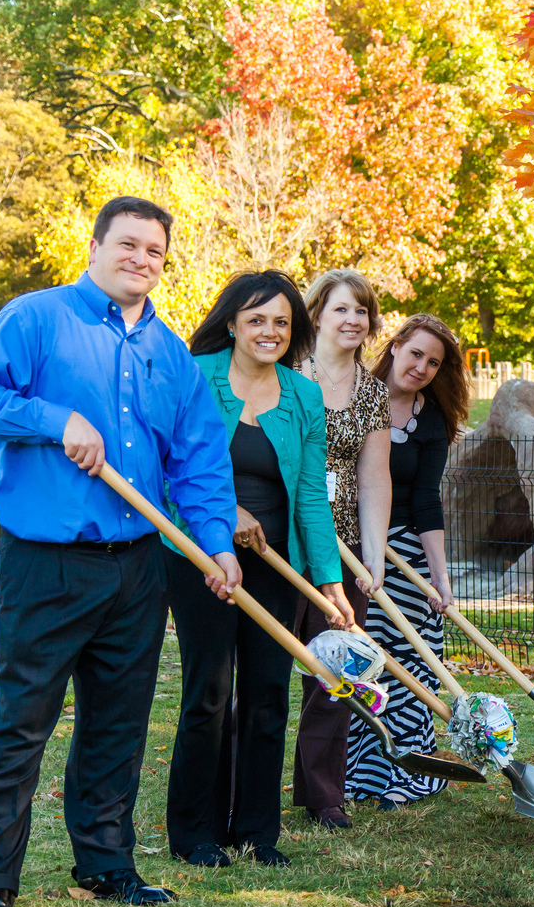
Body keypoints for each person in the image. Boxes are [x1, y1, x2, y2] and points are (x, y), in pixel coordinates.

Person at [0, 196, 241, 907]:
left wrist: (216, 545)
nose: (141, 260)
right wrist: (56, 422)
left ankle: (107, 864)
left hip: (138, 566)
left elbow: (200, 462)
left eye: (155, 252)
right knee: (21, 722)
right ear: (96, 244)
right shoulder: (36, 318)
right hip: (46, 562)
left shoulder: (170, 354)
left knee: (118, 722)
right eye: (129, 245)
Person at [164, 271, 354, 868]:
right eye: (256, 319)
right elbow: (165, 474)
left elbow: (311, 497)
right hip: (198, 557)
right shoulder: (194, 378)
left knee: (269, 692)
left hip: (274, 564)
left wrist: (328, 582)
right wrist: (224, 514)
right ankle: (196, 832)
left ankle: (256, 832)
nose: (269, 331)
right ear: (231, 324)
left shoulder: (302, 395)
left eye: (280, 321)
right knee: (210, 692)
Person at [345, 314, 470, 807]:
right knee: (365, 659)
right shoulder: (350, 396)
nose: (421, 366)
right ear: (394, 346)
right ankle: (357, 772)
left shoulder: (431, 420)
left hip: (407, 549)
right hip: (355, 544)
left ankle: (404, 771)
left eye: (434, 362)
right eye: (416, 353)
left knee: (414, 659)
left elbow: (426, 500)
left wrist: (439, 578)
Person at [292, 268, 391, 828]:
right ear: (318, 316)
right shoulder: (283, 376)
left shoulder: (373, 391)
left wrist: (373, 556)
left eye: (362, 311)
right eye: (342, 309)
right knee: (255, 675)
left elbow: (376, 477)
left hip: (345, 548)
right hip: (282, 546)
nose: (353, 320)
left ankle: (323, 796)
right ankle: (238, 787)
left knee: (338, 672)